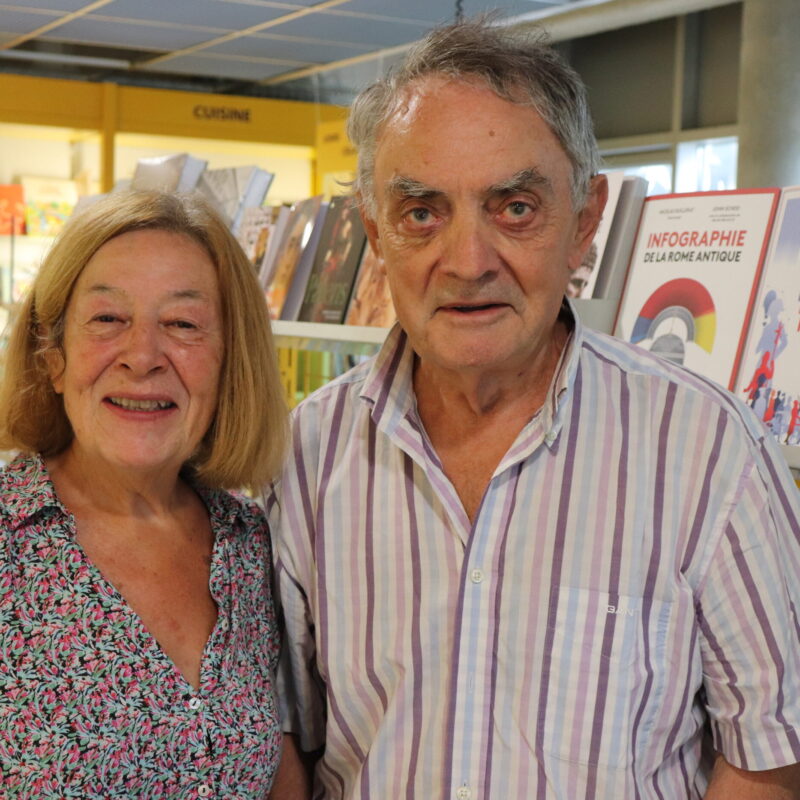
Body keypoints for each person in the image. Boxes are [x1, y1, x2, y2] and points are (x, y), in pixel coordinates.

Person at [266, 19, 800, 800]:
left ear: (586, 220)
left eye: (514, 207)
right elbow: (290, 747)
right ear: (375, 234)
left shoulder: (707, 451)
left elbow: (768, 761)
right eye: (422, 214)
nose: (469, 261)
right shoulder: (305, 454)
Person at [0, 191, 294, 798]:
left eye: (183, 325)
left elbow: (280, 771)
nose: (142, 357)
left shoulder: (254, 545)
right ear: (52, 356)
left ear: (227, 362)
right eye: (107, 319)